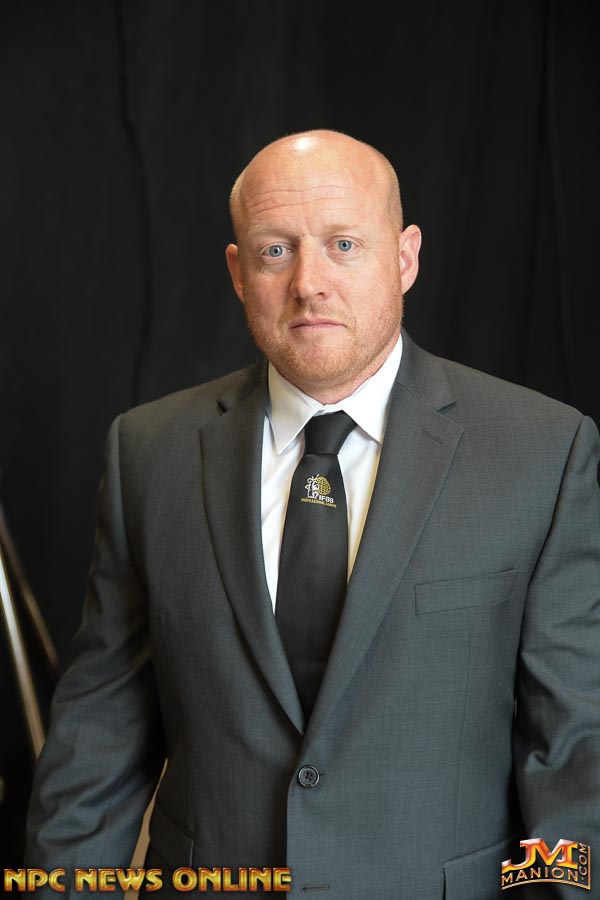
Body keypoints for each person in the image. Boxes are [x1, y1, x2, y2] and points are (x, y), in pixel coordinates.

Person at [24, 129, 600, 899]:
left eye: (343, 245)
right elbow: (99, 732)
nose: (309, 283)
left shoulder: (542, 451)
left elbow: (574, 752)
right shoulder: (149, 453)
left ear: (405, 258)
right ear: (238, 272)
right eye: (275, 251)